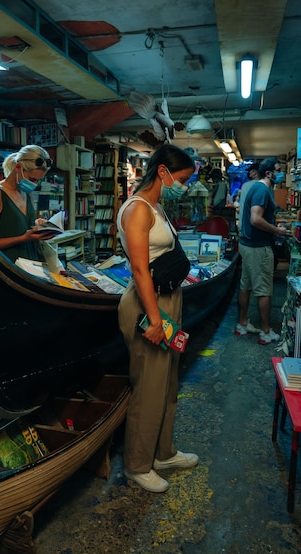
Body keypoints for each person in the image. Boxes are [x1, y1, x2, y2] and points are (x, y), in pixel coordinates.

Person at [117, 144, 198, 493]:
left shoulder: (156, 206)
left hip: (168, 299)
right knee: (148, 386)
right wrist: (153, 319)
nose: (184, 186)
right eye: (181, 179)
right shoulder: (137, 210)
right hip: (149, 306)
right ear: (162, 172)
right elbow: (139, 269)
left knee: (167, 384)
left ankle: (162, 452)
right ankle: (137, 464)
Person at [235, 157, 291, 343]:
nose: (280, 173)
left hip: (248, 244)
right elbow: (255, 219)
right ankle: (265, 332)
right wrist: (278, 230)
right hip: (258, 247)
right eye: (278, 170)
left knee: (246, 285)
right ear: (268, 173)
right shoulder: (262, 190)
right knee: (264, 289)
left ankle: (242, 324)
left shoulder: (259, 188)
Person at [0, 145, 59, 262]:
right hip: (8, 268)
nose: (35, 184)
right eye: (32, 179)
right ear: (18, 167)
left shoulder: (27, 192)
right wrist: (23, 238)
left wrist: (38, 226)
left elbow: (22, 226)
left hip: (32, 267)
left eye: (38, 180)